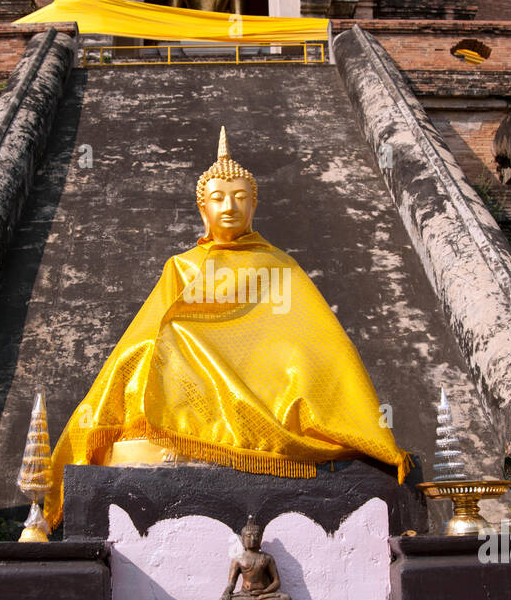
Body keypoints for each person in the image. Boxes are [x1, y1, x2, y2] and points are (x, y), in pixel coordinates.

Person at [44, 128, 410, 527]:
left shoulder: (279, 265)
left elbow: (309, 335)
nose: (230, 206)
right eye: (218, 199)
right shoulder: (181, 265)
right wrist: (180, 335)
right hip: (190, 373)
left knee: (288, 359)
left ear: (255, 206)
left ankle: (234, 438)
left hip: (261, 374)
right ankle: (180, 439)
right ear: (202, 210)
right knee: (154, 346)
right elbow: (150, 326)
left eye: (240, 198)